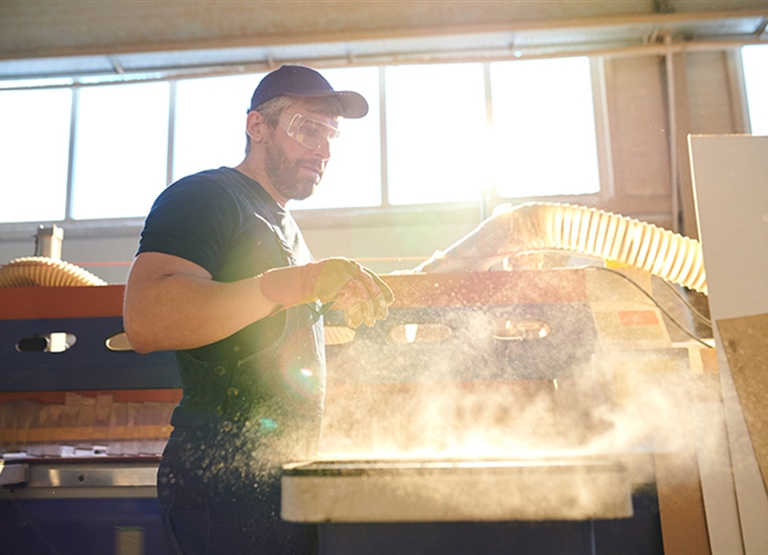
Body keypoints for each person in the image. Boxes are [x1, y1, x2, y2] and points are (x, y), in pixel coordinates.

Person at [123, 64, 394, 555]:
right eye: (307, 128)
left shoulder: (286, 227)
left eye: (330, 134)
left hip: (280, 479)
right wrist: (299, 283)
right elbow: (146, 317)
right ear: (257, 127)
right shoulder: (206, 196)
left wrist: (324, 302)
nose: (324, 148)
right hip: (222, 481)